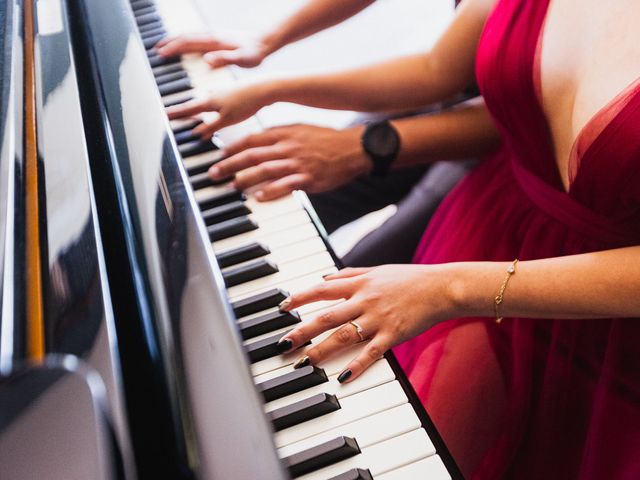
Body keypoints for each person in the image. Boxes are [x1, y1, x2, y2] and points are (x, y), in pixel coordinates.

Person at [169, 0, 640, 478]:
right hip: (489, 226)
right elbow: (437, 70)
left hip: (600, 307)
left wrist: (447, 289)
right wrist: (273, 87)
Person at [157, 0, 478, 266]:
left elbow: (448, 81)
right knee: (276, 202)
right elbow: (437, 72)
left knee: (368, 265)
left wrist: (362, 147)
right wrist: (268, 41)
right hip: (462, 79)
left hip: (507, 147)